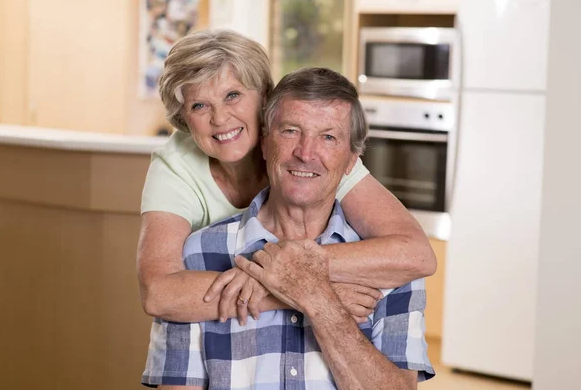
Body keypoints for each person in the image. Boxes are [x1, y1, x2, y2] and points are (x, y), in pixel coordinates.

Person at [137, 29, 436, 387]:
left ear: (263, 99)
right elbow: (159, 293)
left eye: (233, 95)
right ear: (184, 117)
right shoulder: (182, 191)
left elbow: (416, 255)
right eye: (200, 105)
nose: (220, 118)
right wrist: (287, 289)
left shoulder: (326, 160)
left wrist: (300, 273)